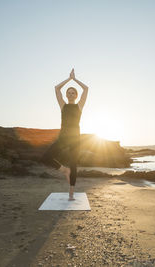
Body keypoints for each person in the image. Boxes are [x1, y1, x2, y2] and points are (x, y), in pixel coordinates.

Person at [40, 68, 88, 201]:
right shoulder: (63, 106)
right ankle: (63, 169)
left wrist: (75, 79)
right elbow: (56, 88)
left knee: (74, 164)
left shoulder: (79, 106)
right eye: (69, 92)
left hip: (75, 139)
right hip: (63, 137)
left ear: (76, 96)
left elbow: (86, 89)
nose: (71, 94)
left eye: (73, 93)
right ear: (66, 95)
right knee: (45, 157)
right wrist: (69, 79)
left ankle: (71, 193)